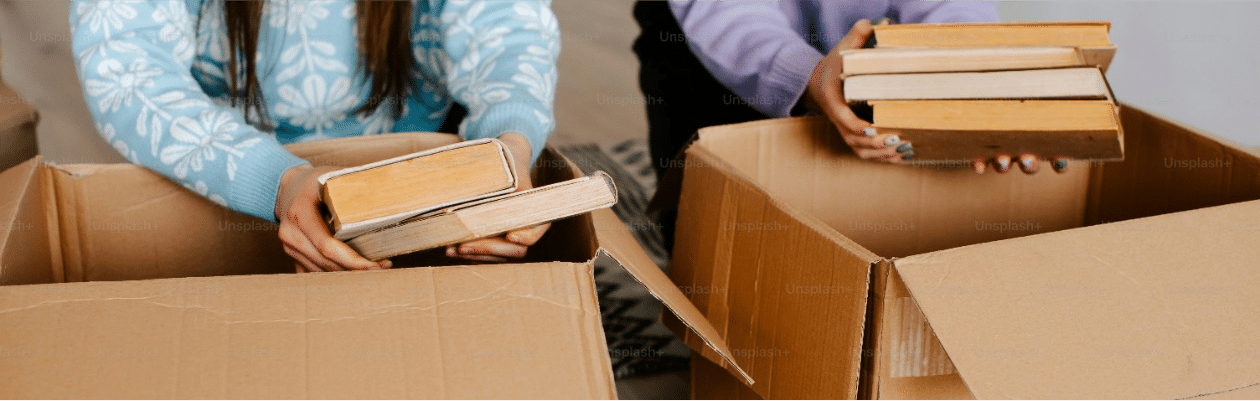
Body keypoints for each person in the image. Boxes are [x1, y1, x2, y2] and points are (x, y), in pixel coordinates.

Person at [71, 0, 560, 272]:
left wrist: (508, 144)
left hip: (421, 167)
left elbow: (507, 29)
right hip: (223, 178)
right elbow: (128, 70)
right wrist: (278, 181)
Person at [635, 0, 1065, 248]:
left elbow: (951, 5)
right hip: (716, 48)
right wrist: (805, 76)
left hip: (870, 52)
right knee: (711, 251)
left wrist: (967, 74)